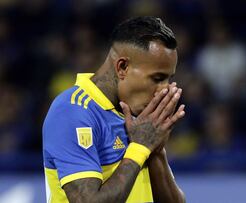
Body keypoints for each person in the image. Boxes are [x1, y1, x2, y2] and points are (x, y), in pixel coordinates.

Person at [42, 16, 186, 203]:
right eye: (157, 78)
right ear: (123, 67)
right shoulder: (73, 111)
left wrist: (156, 151)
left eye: (169, 78)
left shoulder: (142, 119)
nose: (165, 89)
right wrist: (140, 148)